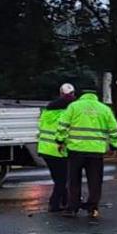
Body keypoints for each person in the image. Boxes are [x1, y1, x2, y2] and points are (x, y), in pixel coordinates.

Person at [56, 89, 117, 219]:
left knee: (74, 180)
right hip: (96, 152)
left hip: (76, 150)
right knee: (95, 181)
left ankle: (72, 208)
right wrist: (114, 145)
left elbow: (62, 125)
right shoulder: (104, 109)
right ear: (96, 96)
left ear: (81, 95)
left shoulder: (74, 107)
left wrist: (60, 140)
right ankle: (93, 208)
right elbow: (114, 129)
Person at [37, 83, 75, 212]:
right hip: (58, 150)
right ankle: (54, 204)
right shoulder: (66, 113)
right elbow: (65, 132)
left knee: (58, 178)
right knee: (62, 179)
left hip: (45, 149)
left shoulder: (47, 111)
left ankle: (64, 201)